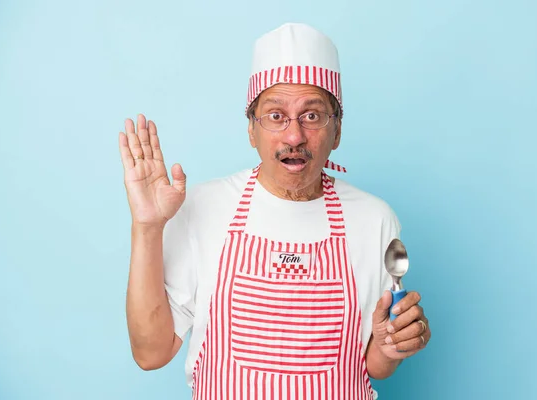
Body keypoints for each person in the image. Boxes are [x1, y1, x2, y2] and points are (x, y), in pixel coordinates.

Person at [119, 22, 431, 400]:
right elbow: (150, 354)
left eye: (312, 116)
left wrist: (391, 345)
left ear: (338, 130)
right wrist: (147, 227)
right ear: (251, 130)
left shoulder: (375, 220)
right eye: (276, 115)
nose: (294, 135)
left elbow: (372, 367)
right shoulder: (204, 208)